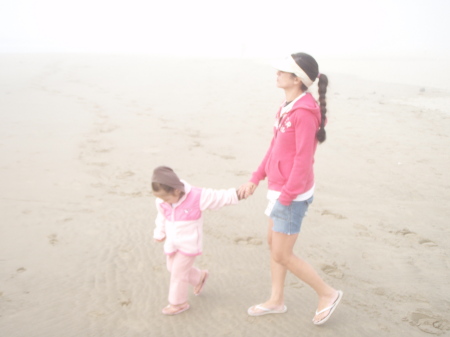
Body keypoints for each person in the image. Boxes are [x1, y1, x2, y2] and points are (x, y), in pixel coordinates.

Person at [237, 52, 343, 325]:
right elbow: (275, 148)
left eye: (283, 71)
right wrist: (256, 177)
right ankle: (276, 300)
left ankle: (327, 294)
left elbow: (303, 160)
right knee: (274, 245)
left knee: (282, 252)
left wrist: (286, 197)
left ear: (297, 79)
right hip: (279, 188)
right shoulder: (287, 107)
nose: (277, 74)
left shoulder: (304, 113)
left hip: (292, 194)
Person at [152, 166, 239, 315]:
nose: (163, 201)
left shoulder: (196, 196)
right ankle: (199, 277)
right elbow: (162, 216)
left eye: (166, 198)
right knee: (172, 268)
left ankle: (178, 303)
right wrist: (159, 232)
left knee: (178, 274)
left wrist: (238, 194)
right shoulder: (161, 201)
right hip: (172, 243)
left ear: (176, 191)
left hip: (188, 244)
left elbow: (218, 197)